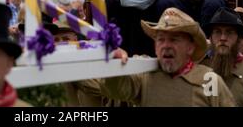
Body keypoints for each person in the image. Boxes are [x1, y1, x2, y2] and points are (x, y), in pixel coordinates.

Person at [100, 8, 235, 106]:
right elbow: (117, 90)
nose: (166, 45)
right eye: (160, 39)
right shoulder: (145, 74)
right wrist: (114, 64)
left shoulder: (209, 80)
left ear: (190, 47)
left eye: (174, 39)